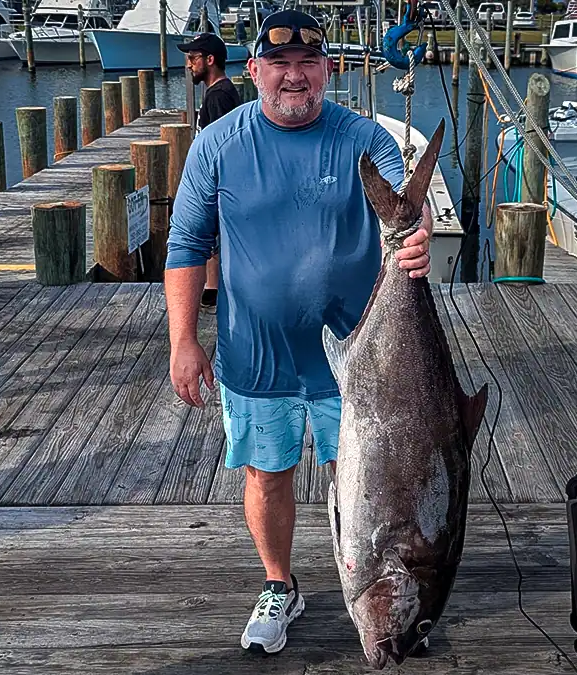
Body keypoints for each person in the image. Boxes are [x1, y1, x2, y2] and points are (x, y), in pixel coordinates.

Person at [164, 9, 433, 656]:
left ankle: (376, 587)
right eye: (279, 64)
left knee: (368, 479)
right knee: (265, 474)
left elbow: (403, 208)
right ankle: (280, 584)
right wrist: (183, 339)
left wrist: (415, 238)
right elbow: (184, 244)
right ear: (254, 69)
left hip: (358, 360)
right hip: (256, 353)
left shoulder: (367, 139)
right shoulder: (218, 143)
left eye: (308, 64)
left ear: (327, 70)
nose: (294, 76)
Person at [177, 32, 243, 309]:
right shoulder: (219, 93)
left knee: (209, 234)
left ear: (210, 59)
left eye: (193, 58)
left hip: (218, 183)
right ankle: (211, 288)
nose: (189, 65)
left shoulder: (219, 97)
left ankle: (212, 289)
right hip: (215, 182)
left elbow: (224, 146)